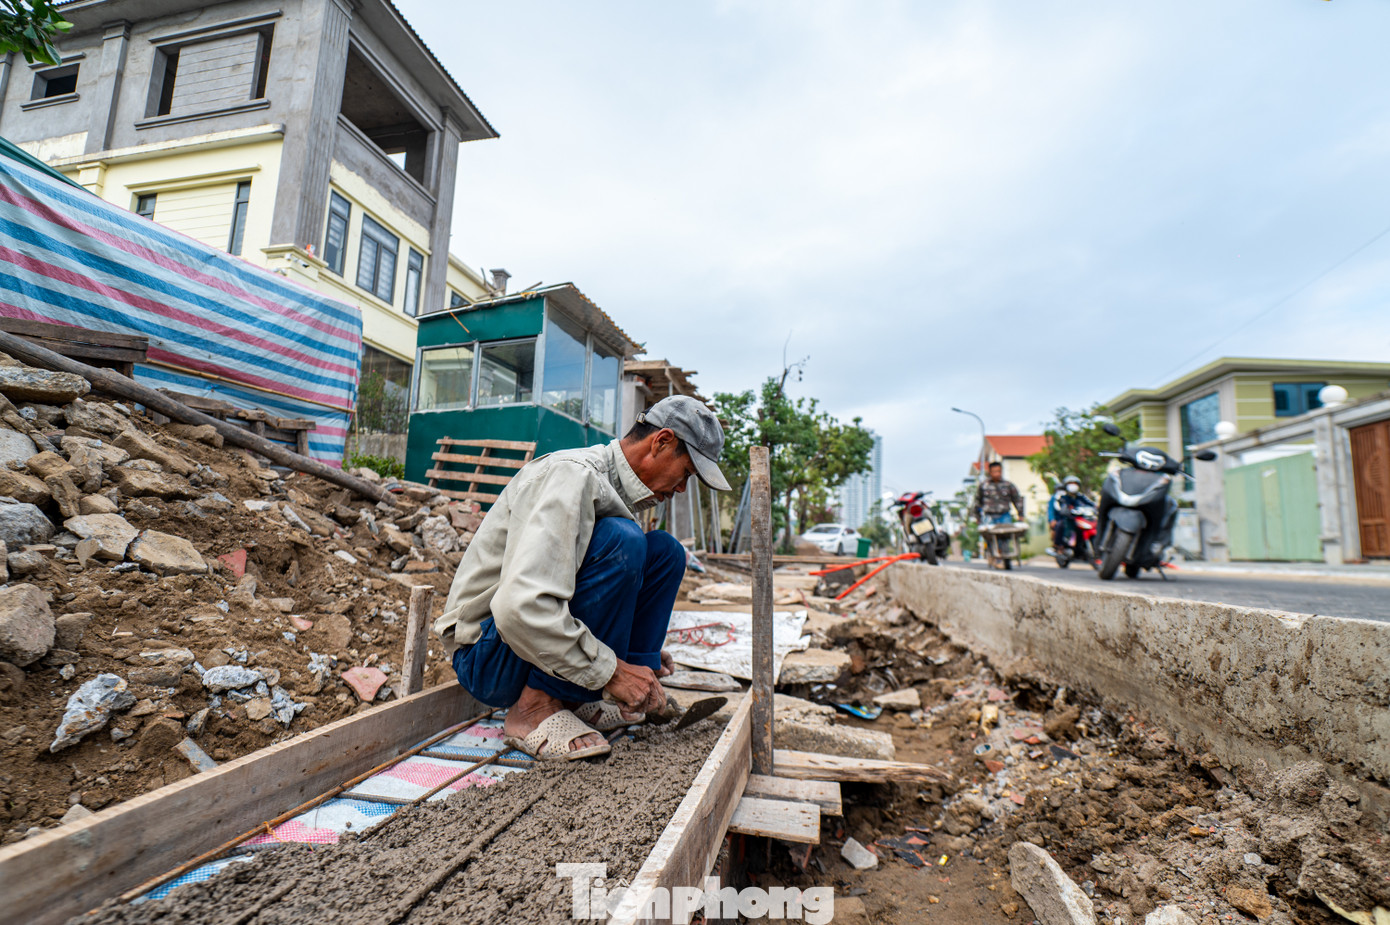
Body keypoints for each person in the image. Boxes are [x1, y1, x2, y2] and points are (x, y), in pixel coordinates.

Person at [433, 395, 730, 762]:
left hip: (523, 651)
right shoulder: (573, 477)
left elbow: (589, 589)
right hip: (488, 656)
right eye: (686, 473)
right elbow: (518, 609)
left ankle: (593, 696)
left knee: (665, 552)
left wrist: (636, 657)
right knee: (623, 541)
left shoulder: (617, 491)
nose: (683, 488)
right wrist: (610, 669)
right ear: (662, 442)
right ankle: (533, 708)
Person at [1047, 475, 1092, 552]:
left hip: (1077, 518)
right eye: (1070, 483)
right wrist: (1052, 519)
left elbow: (1090, 504)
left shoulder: (1080, 496)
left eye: (1075, 483)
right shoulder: (1060, 497)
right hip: (1064, 518)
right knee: (1060, 525)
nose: (1073, 485)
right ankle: (1058, 545)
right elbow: (1052, 509)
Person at [972, 461, 1025, 525]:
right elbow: (977, 501)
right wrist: (977, 517)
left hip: (1004, 516)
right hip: (988, 517)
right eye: (994, 471)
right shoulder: (983, 486)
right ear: (990, 472)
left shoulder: (1008, 485)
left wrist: (1020, 515)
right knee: (986, 533)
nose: (997, 474)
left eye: (999, 471)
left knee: (1007, 533)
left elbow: (1017, 500)